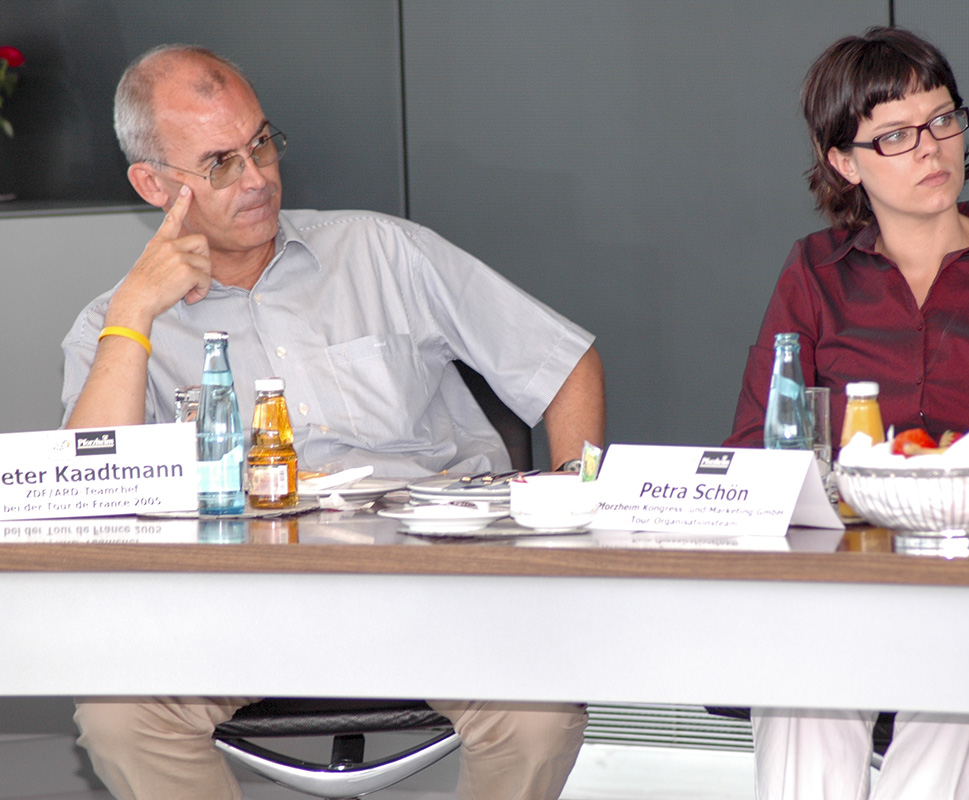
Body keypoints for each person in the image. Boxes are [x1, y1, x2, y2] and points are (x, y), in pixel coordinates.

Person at [61, 44, 604, 800]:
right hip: (235, 606)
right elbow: (86, 490)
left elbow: (562, 361)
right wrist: (133, 314)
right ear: (154, 184)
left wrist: (574, 516)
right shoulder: (113, 325)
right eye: (219, 163)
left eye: (260, 143)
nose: (257, 178)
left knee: (537, 711)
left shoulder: (382, 251)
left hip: (436, 584)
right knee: (120, 718)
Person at [724, 27, 969, 800]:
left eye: (941, 119)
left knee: (956, 691)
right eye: (894, 135)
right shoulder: (814, 272)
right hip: (845, 581)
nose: (930, 147)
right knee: (801, 692)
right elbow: (757, 449)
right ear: (844, 162)